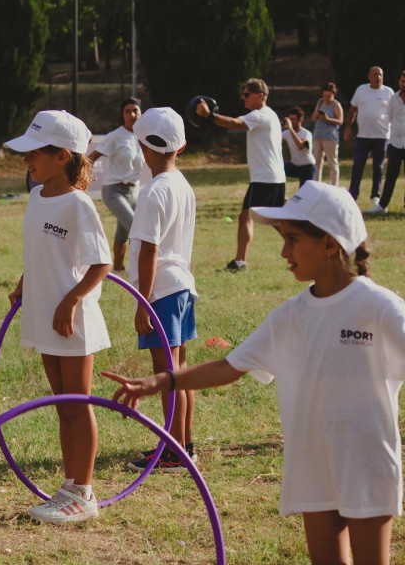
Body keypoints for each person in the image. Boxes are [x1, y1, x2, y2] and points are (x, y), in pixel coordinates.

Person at [104, 181, 405, 565]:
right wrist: (163, 380)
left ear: (330, 243)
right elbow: (231, 366)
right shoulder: (291, 316)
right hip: (312, 460)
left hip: (366, 460)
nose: (283, 251)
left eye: (292, 239)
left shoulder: (378, 307)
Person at [4, 110, 111, 523]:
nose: (25, 161)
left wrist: (71, 301)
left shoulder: (78, 204)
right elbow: (42, 253)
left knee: (77, 403)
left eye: (33, 154)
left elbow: (101, 264)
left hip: (72, 318)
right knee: (61, 406)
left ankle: (84, 493)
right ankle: (70, 484)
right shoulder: (36, 197)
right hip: (43, 312)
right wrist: (25, 282)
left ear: (62, 156)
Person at [125, 107, 198, 471]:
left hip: (162, 293)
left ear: (143, 147)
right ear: (180, 147)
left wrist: (143, 302)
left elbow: (149, 250)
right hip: (183, 287)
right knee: (181, 372)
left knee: (167, 376)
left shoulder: (153, 192)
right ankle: (185, 443)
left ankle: (173, 451)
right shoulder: (182, 185)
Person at [197, 78, 286, 272]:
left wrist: (209, 115)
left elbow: (234, 123)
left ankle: (240, 262)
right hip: (271, 177)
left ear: (259, 96)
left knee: (248, 216)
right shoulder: (269, 115)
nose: (243, 98)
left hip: (265, 178)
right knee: (275, 220)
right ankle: (304, 248)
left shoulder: (260, 115)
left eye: (247, 94)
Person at [87, 97, 146, 272]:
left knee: (124, 233)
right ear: (122, 115)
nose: (132, 114)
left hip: (134, 190)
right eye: (127, 111)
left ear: (141, 113)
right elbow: (91, 158)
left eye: (135, 110)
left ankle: (118, 270)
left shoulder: (144, 137)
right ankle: (143, 268)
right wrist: (79, 178)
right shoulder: (115, 136)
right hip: (114, 191)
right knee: (135, 225)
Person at [344, 66, 394, 203]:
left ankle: (375, 196)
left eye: (381, 75)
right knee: (358, 166)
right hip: (363, 136)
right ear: (369, 76)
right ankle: (353, 195)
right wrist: (348, 127)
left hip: (382, 136)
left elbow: (395, 113)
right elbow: (352, 110)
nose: (378, 77)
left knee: (378, 167)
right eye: (376, 74)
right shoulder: (361, 90)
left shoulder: (388, 92)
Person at [367, 70, 405, 215]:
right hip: (395, 143)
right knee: (391, 177)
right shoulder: (393, 99)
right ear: (399, 82)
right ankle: (382, 206)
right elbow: (389, 118)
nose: (404, 84)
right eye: (402, 81)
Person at [310, 82, 343, 186]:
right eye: (324, 95)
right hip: (318, 136)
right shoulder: (320, 102)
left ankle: (334, 185)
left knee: (332, 163)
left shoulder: (336, 104)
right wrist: (318, 114)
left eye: (329, 96)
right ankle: (317, 184)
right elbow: (313, 118)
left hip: (330, 137)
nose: (326, 98)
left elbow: (340, 121)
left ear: (333, 94)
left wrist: (327, 119)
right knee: (317, 162)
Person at [282, 106, 317, 188]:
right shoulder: (286, 133)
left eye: (293, 119)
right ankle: (281, 195)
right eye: (289, 119)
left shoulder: (306, 133)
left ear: (300, 120)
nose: (290, 122)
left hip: (307, 167)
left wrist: (290, 129)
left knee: (303, 195)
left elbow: (300, 146)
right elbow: (274, 140)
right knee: (277, 168)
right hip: (294, 166)